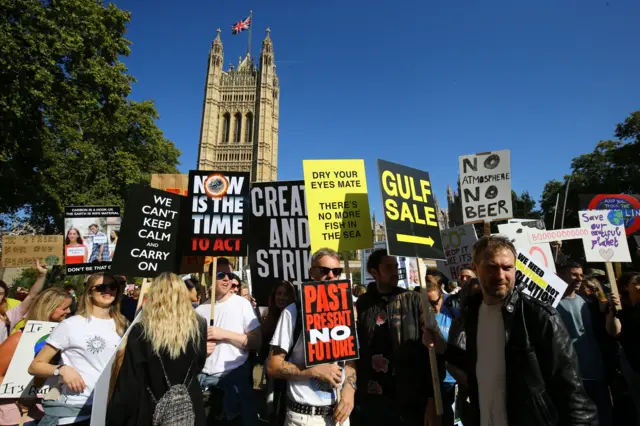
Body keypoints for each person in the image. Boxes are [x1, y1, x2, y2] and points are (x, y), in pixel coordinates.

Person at [423, 235, 598, 426]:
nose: (500, 275)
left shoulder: (539, 317)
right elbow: (482, 364)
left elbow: (573, 394)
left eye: (507, 268)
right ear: (476, 269)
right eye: (491, 267)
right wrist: (445, 349)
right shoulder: (471, 314)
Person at [267, 248, 356, 426]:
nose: (331, 276)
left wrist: (349, 389)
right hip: (304, 418)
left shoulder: (347, 311)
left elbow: (351, 362)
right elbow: (273, 366)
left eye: (336, 271)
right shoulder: (293, 313)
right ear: (311, 273)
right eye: (324, 270)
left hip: (339, 416)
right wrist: (313, 370)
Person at [107, 272, 210, 425]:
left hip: (152, 406)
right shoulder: (199, 325)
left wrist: (116, 417)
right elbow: (199, 364)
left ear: (155, 294)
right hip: (188, 406)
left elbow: (131, 379)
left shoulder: (142, 329)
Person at [29, 273, 127, 425]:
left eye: (113, 287)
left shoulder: (123, 325)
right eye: (101, 287)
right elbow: (35, 366)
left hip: (109, 409)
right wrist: (61, 370)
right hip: (75, 412)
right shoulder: (71, 325)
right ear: (89, 292)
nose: (108, 290)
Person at [353, 249, 437, 426]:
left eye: (396, 266)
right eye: (389, 267)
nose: (395, 271)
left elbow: (432, 353)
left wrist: (432, 400)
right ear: (374, 272)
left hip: (409, 399)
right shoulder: (362, 304)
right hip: (372, 401)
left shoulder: (415, 301)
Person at [195, 257, 262, 425]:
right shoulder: (201, 310)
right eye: (221, 274)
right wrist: (201, 349)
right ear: (210, 278)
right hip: (204, 383)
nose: (227, 279)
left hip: (234, 381)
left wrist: (224, 334)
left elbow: (256, 341)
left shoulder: (242, 304)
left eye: (230, 275)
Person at [0, 288, 73, 426]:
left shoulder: (65, 337)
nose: (69, 312)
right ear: (49, 308)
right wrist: (23, 393)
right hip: (18, 416)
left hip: (51, 412)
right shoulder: (19, 338)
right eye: (65, 308)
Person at [556, 262, 613, 426]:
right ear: (560, 276)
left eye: (581, 275)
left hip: (597, 372)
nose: (579, 279)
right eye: (574, 274)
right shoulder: (551, 306)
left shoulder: (588, 303)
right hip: (574, 376)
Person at [605, 272, 640, 425]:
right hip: (633, 365)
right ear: (627, 287)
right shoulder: (622, 308)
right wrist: (613, 311)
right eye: (637, 282)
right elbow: (615, 332)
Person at [426, 281, 459, 426]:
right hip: (431, 382)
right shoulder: (422, 319)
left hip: (452, 381)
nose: (431, 307)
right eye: (426, 303)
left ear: (442, 298)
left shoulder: (454, 316)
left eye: (434, 302)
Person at [0, 260, 48, 344]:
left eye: (0, 294)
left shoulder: (7, 318)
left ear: (4, 297)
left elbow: (31, 296)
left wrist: (41, 276)